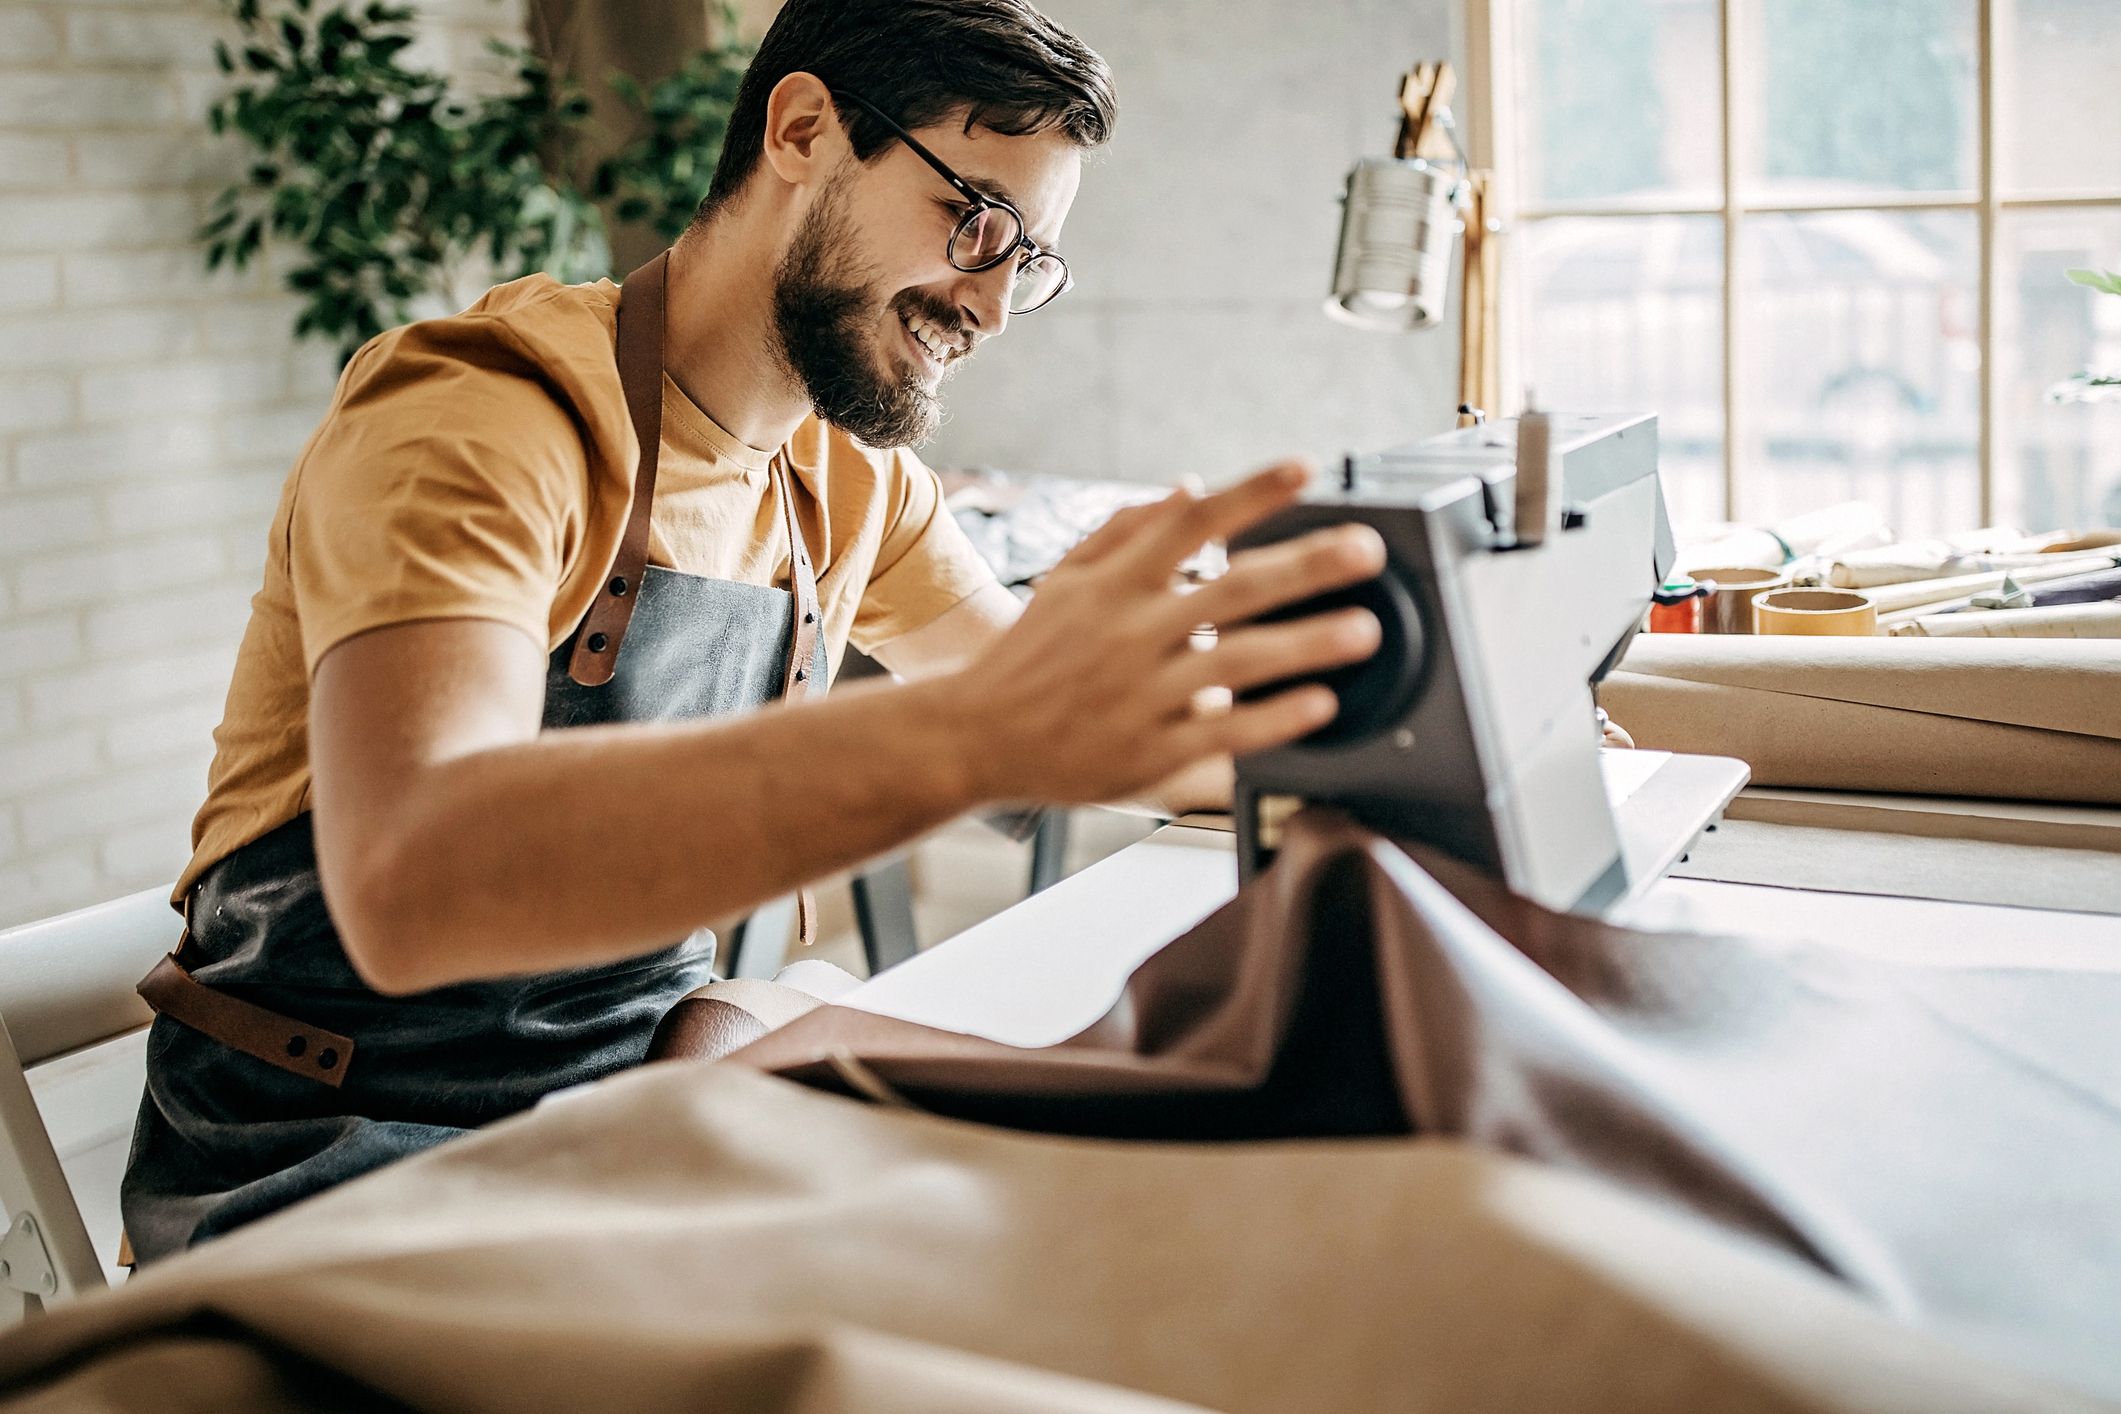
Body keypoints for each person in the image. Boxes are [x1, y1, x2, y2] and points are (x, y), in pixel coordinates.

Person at [119, 0, 1389, 1261]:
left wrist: (1405, 773)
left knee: (1151, 1176)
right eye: (976, 221)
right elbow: (413, 882)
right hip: (331, 1167)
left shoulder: (844, 483)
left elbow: (1097, 730)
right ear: (800, 130)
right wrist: (972, 735)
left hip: (623, 1110)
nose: (991, 308)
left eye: (1030, 262)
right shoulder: (481, 421)